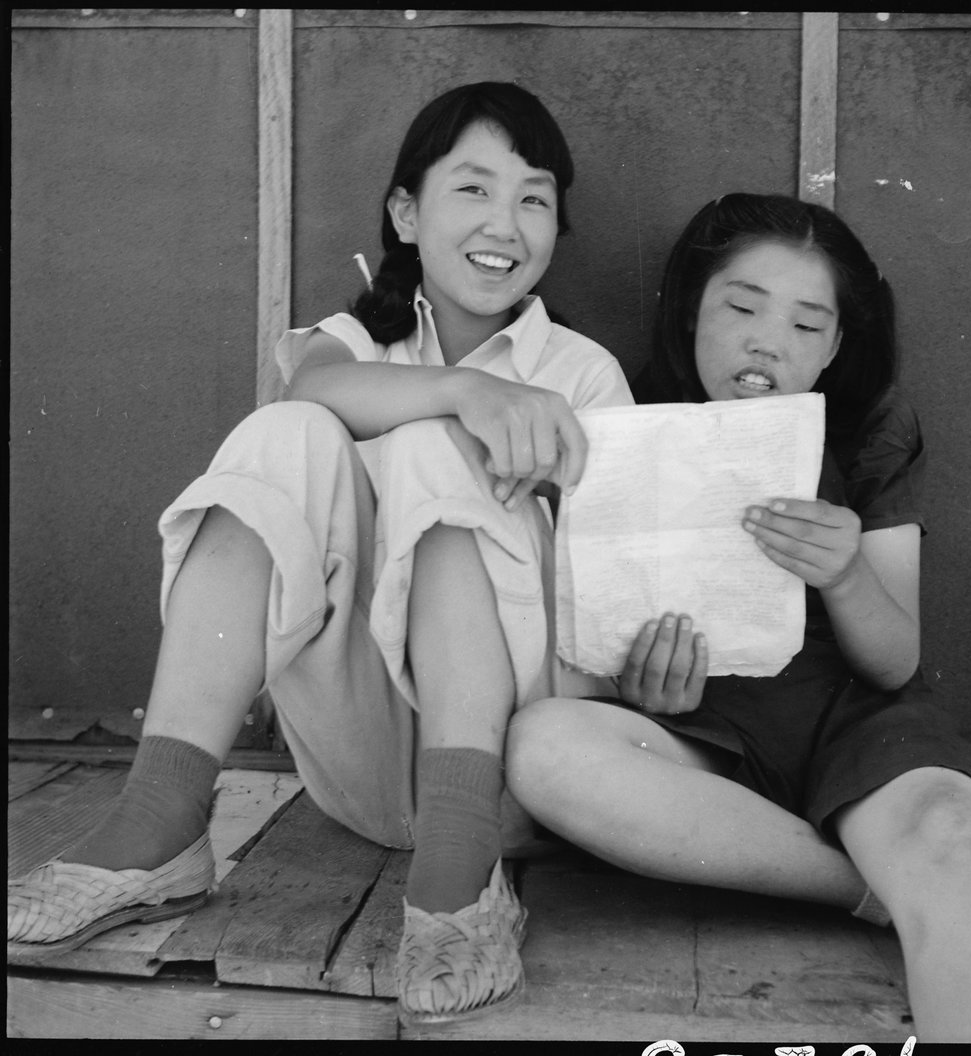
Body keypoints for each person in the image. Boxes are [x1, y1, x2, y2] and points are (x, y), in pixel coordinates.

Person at [7, 82, 633, 1025]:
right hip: (360, 773)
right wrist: (464, 391)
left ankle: (463, 873)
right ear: (406, 213)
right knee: (287, 430)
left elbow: (615, 596)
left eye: (534, 198)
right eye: (472, 189)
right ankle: (163, 814)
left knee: (429, 445)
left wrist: (468, 421)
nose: (506, 222)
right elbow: (318, 387)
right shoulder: (352, 339)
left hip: (513, 781)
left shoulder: (582, 374)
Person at [506, 193, 971, 1042]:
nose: (769, 341)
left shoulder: (869, 426)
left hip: (855, 728)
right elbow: (596, 637)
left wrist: (844, 576)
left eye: (809, 326)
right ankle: (860, 887)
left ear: (838, 345)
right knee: (545, 746)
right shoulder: (624, 419)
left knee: (952, 837)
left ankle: (910, 883)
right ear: (692, 307)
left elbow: (893, 662)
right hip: (706, 742)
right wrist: (642, 685)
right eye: (742, 308)